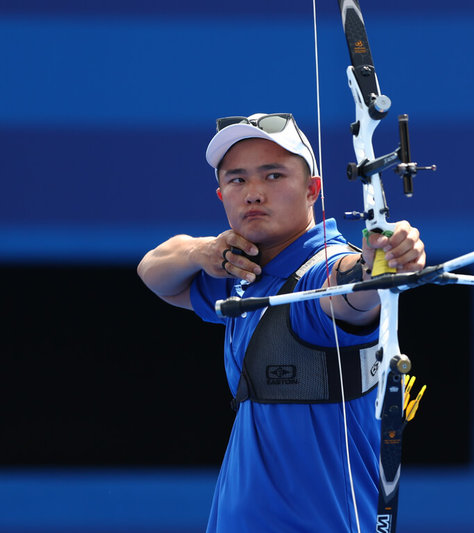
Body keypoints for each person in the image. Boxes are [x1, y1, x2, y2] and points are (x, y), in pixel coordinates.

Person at [137, 113, 426, 532]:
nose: (253, 193)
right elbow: (154, 272)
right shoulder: (242, 274)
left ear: (312, 189)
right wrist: (202, 252)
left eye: (273, 175)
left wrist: (382, 260)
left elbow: (350, 292)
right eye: (237, 180)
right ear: (221, 196)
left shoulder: (316, 273)